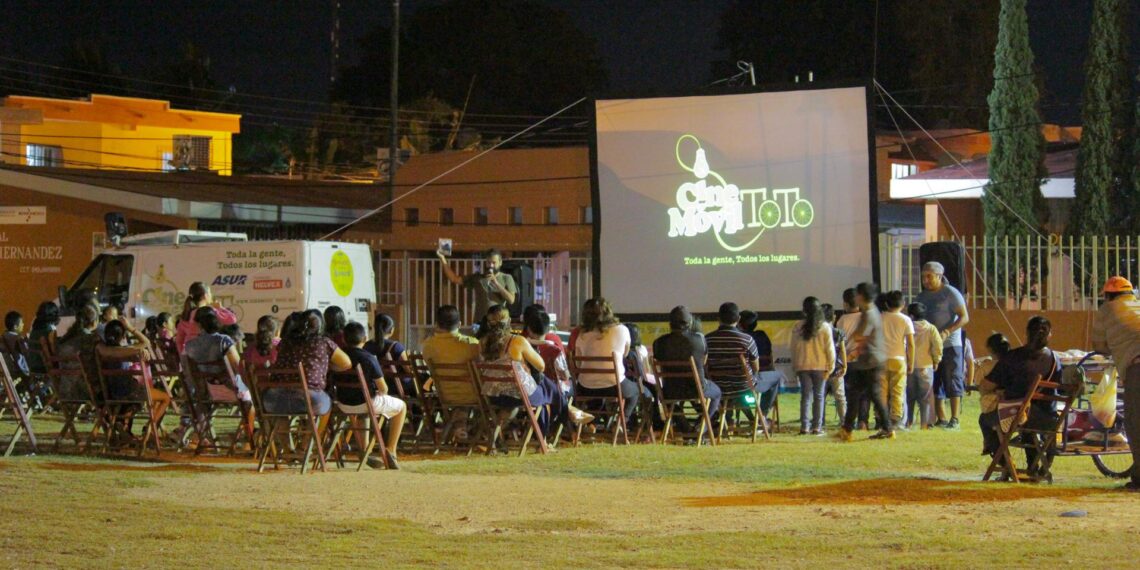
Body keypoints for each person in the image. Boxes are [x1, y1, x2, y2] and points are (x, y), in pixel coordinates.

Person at [979, 316, 1062, 475]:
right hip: (1049, 419)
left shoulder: (1014, 357)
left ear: (1026, 333)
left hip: (1019, 416)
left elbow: (987, 385)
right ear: (1049, 335)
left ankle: (1007, 465)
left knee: (985, 419)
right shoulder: (1055, 359)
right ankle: (1033, 467)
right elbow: (1062, 389)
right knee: (1026, 424)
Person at [479, 305, 569, 434]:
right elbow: (541, 366)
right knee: (544, 390)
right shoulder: (517, 341)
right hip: (518, 394)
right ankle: (549, 432)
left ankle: (562, 414)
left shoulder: (482, 343)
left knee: (545, 387)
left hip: (492, 395)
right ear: (509, 321)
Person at [1090, 276, 1140, 490]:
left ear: (1108, 295)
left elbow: (1100, 345)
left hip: (1136, 368)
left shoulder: (1107, 309)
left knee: (1136, 424)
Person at [339, 321, 407, 468]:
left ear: (344, 339)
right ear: (364, 339)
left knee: (364, 413)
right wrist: (378, 392)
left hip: (342, 404)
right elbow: (384, 389)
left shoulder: (339, 356)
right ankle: (391, 450)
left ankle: (364, 451)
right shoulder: (368, 357)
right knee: (402, 407)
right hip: (365, 402)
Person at [183, 307, 255, 443]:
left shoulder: (190, 346)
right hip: (232, 391)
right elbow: (238, 366)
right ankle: (250, 440)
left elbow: (189, 371)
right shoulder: (224, 340)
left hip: (207, 392)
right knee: (252, 401)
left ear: (199, 325)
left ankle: (200, 437)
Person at [914, 261, 970, 429]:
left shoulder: (951, 293)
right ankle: (941, 418)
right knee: (935, 381)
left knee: (953, 379)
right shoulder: (922, 296)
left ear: (939, 276)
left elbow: (965, 317)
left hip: (951, 344)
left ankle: (955, 419)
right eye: (923, 277)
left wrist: (947, 331)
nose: (926, 280)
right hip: (929, 346)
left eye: (929, 277)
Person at [266, 311, 350, 416]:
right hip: (310, 399)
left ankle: (283, 432)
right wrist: (328, 366)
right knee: (327, 402)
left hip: (273, 399)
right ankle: (315, 432)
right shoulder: (324, 342)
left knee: (285, 410)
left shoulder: (284, 342)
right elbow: (347, 363)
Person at [96, 319, 173, 434]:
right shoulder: (129, 351)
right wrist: (131, 328)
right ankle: (149, 429)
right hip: (130, 392)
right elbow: (147, 343)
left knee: (139, 398)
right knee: (165, 398)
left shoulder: (102, 350)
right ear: (123, 336)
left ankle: (125, 425)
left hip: (111, 392)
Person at [652, 305, 722, 430]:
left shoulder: (658, 343)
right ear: (689, 323)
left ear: (670, 323)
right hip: (696, 387)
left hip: (670, 389)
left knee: (669, 399)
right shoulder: (699, 340)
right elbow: (703, 362)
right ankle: (701, 427)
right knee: (717, 393)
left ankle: (685, 429)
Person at [839, 282, 892, 441]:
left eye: (857, 294)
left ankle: (886, 428)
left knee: (869, 395)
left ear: (861, 296)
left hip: (871, 361)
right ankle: (847, 429)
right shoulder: (871, 311)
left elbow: (858, 335)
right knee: (861, 394)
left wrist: (858, 340)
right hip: (869, 360)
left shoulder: (868, 313)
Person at [573, 298, 640, 423]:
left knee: (596, 397)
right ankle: (621, 422)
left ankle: (591, 424)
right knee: (636, 391)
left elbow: (578, 364)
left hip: (586, 387)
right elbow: (625, 354)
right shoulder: (621, 330)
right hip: (614, 385)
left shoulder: (581, 335)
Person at [437, 248, 518, 330]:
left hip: (498, 324)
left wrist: (496, 283)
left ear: (500, 263)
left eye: (494, 263)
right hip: (480, 323)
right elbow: (454, 279)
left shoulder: (506, 278)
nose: (491, 265)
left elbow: (511, 300)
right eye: (488, 262)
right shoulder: (478, 278)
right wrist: (442, 258)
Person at [791, 297, 836, 435]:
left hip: (802, 365)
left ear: (804, 310)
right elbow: (830, 349)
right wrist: (831, 367)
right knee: (819, 396)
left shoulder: (797, 326)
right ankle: (817, 427)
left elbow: (793, 348)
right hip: (820, 366)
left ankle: (804, 427)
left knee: (805, 396)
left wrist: (795, 366)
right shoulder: (824, 327)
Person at [881, 291, 915, 429]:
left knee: (882, 391)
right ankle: (895, 419)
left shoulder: (880, 318)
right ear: (903, 304)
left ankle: (880, 417)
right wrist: (911, 362)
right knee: (897, 390)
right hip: (899, 359)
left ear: (886, 304)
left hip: (881, 359)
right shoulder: (905, 320)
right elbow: (911, 344)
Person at [836, 288, 869, 429]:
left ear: (845, 304)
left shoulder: (841, 320)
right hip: (864, 360)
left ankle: (851, 421)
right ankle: (863, 421)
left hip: (847, 361)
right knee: (864, 393)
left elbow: (838, 343)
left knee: (851, 394)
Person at [906, 302, 942, 429]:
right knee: (925, 398)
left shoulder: (907, 327)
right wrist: (936, 360)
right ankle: (924, 424)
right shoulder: (931, 328)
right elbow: (937, 345)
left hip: (908, 366)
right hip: (925, 366)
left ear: (910, 315)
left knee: (908, 397)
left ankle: (908, 422)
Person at [975, 332, 1011, 456]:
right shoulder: (1015, 364)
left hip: (996, 408)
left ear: (990, 349)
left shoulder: (988, 365)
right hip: (1016, 408)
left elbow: (980, 384)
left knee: (984, 420)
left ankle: (991, 447)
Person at [176, 282, 238, 353]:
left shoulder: (185, 315)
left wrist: (184, 356)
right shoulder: (208, 311)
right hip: (207, 353)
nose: (211, 296)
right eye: (210, 293)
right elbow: (232, 319)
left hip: (190, 354)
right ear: (205, 296)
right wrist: (220, 308)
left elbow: (179, 340)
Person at [738, 310, 778, 415]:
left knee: (737, 392)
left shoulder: (737, 337)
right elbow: (768, 356)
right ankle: (762, 416)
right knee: (775, 379)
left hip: (738, 380)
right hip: (758, 378)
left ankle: (752, 419)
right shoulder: (762, 336)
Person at [363, 312, 412, 396]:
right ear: (392, 330)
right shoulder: (396, 346)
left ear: (375, 328)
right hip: (397, 386)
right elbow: (409, 371)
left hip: (376, 385)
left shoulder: (366, 346)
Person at [821, 303, 848, 424]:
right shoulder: (838, 333)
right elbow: (842, 350)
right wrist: (845, 366)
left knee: (820, 396)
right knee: (840, 397)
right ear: (834, 317)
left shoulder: (818, 333)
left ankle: (819, 421)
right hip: (837, 369)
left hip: (821, 369)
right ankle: (844, 421)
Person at [27, 301, 61, 375]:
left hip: (33, 368)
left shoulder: (34, 330)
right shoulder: (50, 331)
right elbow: (55, 353)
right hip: (46, 369)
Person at [2, 310, 30, 378]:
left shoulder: (3, 337)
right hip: (23, 370)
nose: (23, 324)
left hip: (9, 369)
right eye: (21, 323)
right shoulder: (17, 339)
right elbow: (28, 354)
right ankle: (42, 389)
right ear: (15, 327)